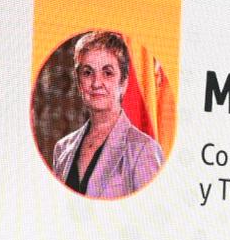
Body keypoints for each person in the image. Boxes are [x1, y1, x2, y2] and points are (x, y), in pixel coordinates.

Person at [50, 30, 165, 199]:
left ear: (123, 82)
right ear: (79, 82)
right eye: (88, 72)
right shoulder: (62, 148)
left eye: (107, 73)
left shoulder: (143, 150)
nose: (96, 83)